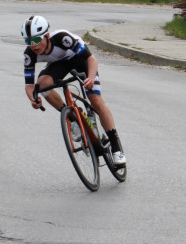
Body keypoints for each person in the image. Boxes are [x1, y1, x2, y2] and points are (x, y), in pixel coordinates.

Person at [22, 15, 126, 166]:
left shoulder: (63, 38)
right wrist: (33, 98)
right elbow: (29, 86)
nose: (33, 45)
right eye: (28, 41)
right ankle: (72, 120)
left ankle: (117, 149)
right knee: (42, 84)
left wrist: (90, 78)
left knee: (96, 100)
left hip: (81, 60)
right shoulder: (29, 54)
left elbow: (92, 60)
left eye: (37, 40)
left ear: (47, 35)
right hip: (60, 64)